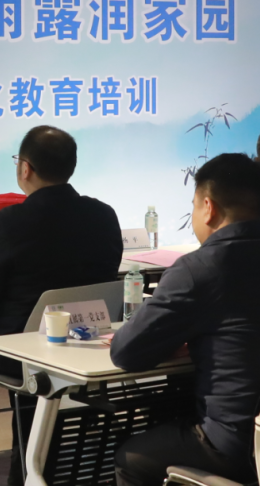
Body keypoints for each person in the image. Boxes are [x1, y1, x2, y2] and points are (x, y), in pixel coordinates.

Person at [0, 125, 123, 486]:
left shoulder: (14, 221)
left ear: (25, 168)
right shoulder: (104, 215)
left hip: (23, 351)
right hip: (85, 345)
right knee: (28, 367)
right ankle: (27, 465)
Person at [111, 153, 260, 486]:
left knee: (130, 458)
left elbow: (126, 352)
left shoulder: (201, 269)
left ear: (208, 207)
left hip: (236, 447)